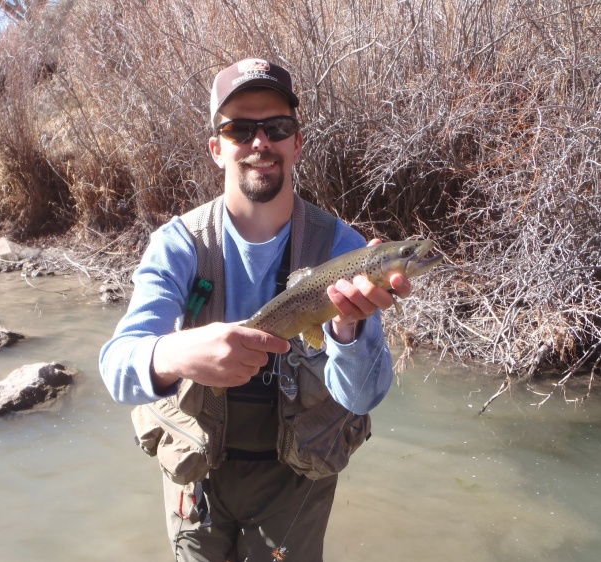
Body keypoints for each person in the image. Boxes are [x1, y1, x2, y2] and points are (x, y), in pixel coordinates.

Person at [100, 58, 411, 562]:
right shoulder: (177, 246)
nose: (260, 142)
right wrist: (176, 354)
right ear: (216, 149)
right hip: (197, 476)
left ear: (297, 142)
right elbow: (117, 369)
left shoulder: (345, 251)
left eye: (276, 127)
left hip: (296, 480)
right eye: (240, 129)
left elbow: (364, 397)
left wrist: (348, 333)